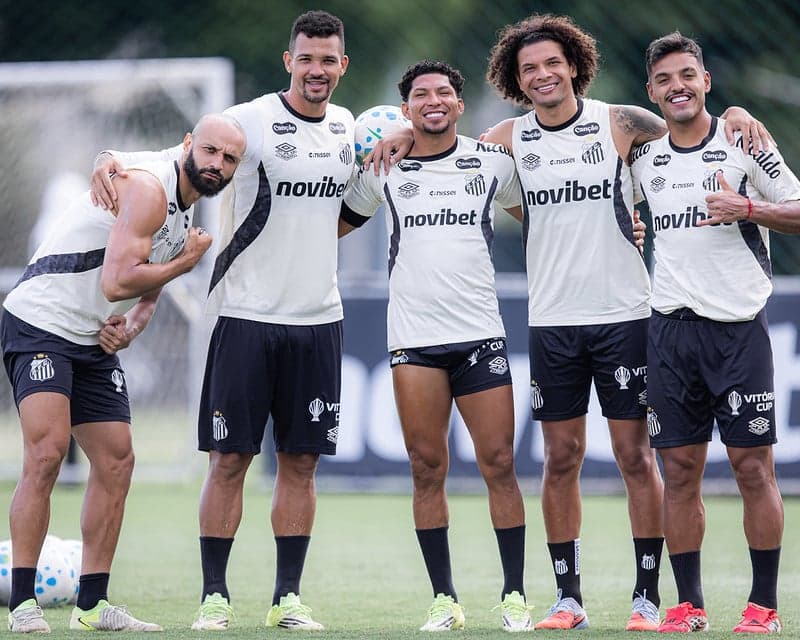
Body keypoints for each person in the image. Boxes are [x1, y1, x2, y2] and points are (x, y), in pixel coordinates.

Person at [366, 13, 770, 632]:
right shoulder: (506, 139)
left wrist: (737, 113)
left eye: (553, 63)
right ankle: (568, 599)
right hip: (552, 320)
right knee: (561, 458)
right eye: (529, 68)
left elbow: (692, 126)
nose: (542, 75)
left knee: (635, 457)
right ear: (515, 79)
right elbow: (458, 158)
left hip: (625, 315)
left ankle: (646, 597)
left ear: (575, 65)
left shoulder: (622, 123)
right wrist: (401, 130)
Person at [91, 11, 360, 631]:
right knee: (229, 460)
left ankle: (287, 600)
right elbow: (181, 155)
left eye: (328, 60)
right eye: (306, 58)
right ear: (288, 60)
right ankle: (214, 597)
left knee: (301, 463)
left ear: (342, 66)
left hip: (319, 319)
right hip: (244, 317)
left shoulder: (349, 127)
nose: (316, 70)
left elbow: (361, 193)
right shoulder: (248, 121)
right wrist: (110, 157)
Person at [2, 114, 245, 633]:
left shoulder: (185, 207)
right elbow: (117, 282)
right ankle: (22, 604)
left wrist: (131, 326)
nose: (217, 164)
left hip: (91, 337)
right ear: (187, 144)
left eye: (229, 159)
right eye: (210, 151)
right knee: (46, 455)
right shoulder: (151, 190)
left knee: (117, 460)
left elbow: (143, 295)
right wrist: (185, 262)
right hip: (41, 321)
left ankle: (91, 607)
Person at [342, 60, 531, 632]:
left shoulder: (491, 162)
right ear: (406, 110)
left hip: (480, 336)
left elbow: (543, 219)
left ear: (459, 104)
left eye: (443, 92)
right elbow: (333, 224)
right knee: (427, 469)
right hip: (414, 342)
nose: (433, 101)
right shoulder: (384, 166)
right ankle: (444, 600)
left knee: (500, 464)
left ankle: (515, 596)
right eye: (421, 94)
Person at [630, 32, 800, 634]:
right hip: (670, 334)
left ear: (705, 81)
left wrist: (748, 209)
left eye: (687, 75)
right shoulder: (643, 159)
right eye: (664, 80)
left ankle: (763, 607)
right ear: (651, 92)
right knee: (679, 472)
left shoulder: (743, 141)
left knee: (753, 470)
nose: (677, 87)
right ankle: (688, 605)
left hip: (738, 333)